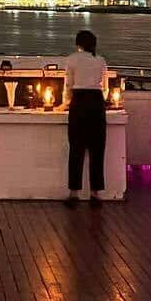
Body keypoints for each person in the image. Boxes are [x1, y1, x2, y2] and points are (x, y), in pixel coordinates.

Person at [62, 28, 108, 207]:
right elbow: (104, 87)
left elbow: (68, 85)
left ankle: (74, 192)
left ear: (78, 44)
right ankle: (95, 193)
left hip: (79, 101)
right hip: (96, 103)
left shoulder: (72, 59)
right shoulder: (101, 60)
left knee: (76, 148)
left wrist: (65, 102)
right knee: (97, 148)